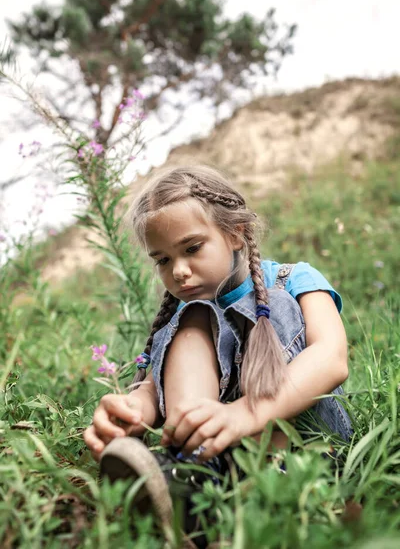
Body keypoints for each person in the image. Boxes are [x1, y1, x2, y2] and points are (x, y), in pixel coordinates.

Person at [83, 165, 352, 540]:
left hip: (308, 451)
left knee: (270, 306)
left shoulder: (295, 280)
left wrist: (244, 414)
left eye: (192, 249)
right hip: (225, 468)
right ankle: (190, 477)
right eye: (162, 260)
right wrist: (131, 414)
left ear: (235, 233)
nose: (178, 271)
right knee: (193, 319)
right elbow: (152, 391)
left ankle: (272, 486)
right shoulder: (181, 319)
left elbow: (332, 358)